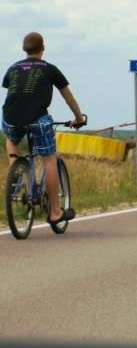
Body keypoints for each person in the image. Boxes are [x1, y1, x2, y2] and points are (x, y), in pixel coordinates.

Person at [3, 32, 86, 226]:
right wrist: (78, 118)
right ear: (43, 48)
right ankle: (56, 212)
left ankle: (18, 170)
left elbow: (15, 94)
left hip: (10, 118)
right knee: (50, 159)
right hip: (37, 119)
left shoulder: (13, 69)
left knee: (12, 139)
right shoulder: (50, 69)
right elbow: (68, 97)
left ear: (24, 48)